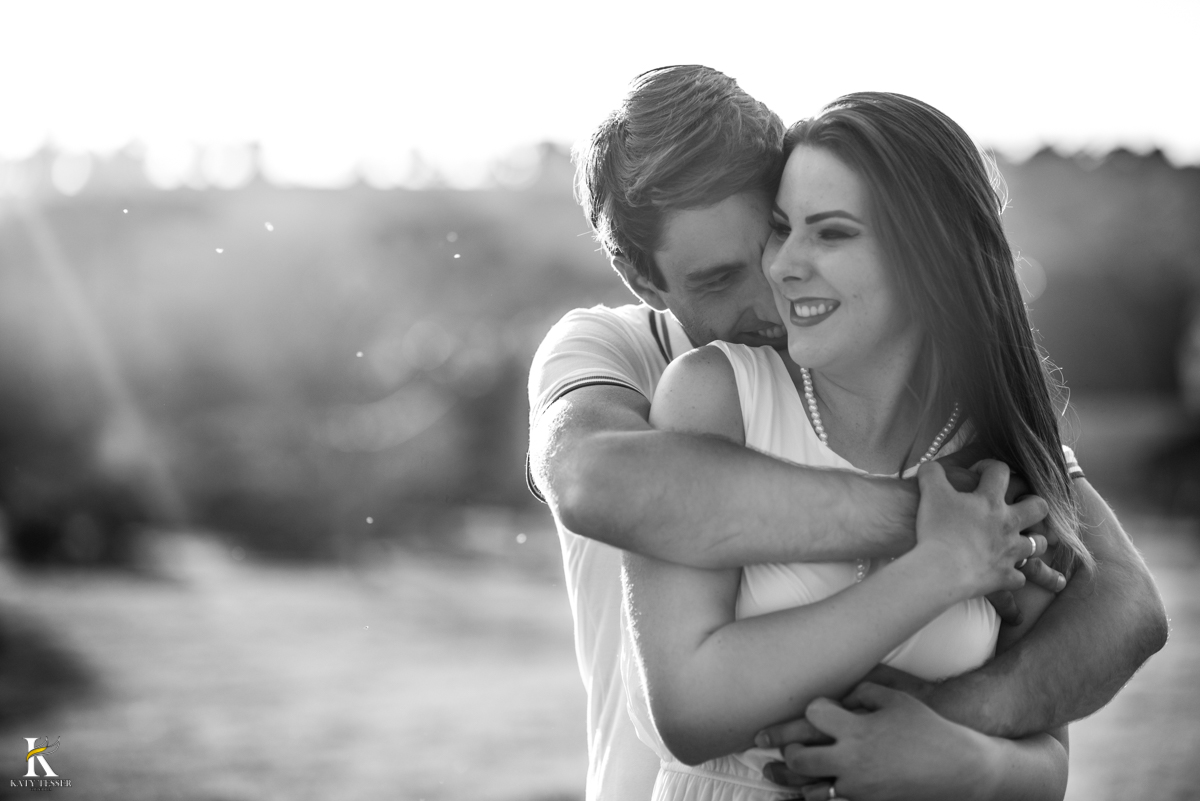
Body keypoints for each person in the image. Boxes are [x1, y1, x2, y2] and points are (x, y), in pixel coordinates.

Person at [526, 66, 1167, 801]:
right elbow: (599, 479)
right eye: (718, 279)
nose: (774, 288)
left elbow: (1122, 599)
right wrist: (935, 526)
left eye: (777, 235)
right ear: (643, 280)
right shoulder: (617, 352)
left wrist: (946, 727)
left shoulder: (919, 392)